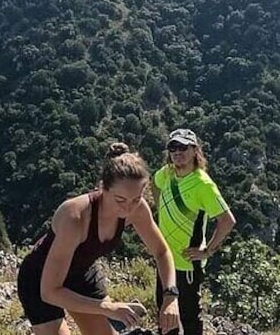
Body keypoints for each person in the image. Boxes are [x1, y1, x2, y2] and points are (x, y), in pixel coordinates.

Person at [17, 142, 181, 334]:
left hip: (81, 272)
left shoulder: (138, 210)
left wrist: (170, 296)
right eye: (120, 200)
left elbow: (161, 252)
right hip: (40, 279)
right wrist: (107, 308)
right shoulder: (75, 216)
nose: (128, 208)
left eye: (135, 199)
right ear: (103, 188)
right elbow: (50, 291)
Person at [152, 128, 236, 335]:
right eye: (173, 147)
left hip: (186, 265)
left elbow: (227, 221)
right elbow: (154, 183)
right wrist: (161, 208)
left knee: (188, 318)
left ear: (194, 150)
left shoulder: (203, 184)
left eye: (183, 147)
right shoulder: (167, 173)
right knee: (164, 309)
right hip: (164, 259)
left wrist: (207, 251)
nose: (177, 152)